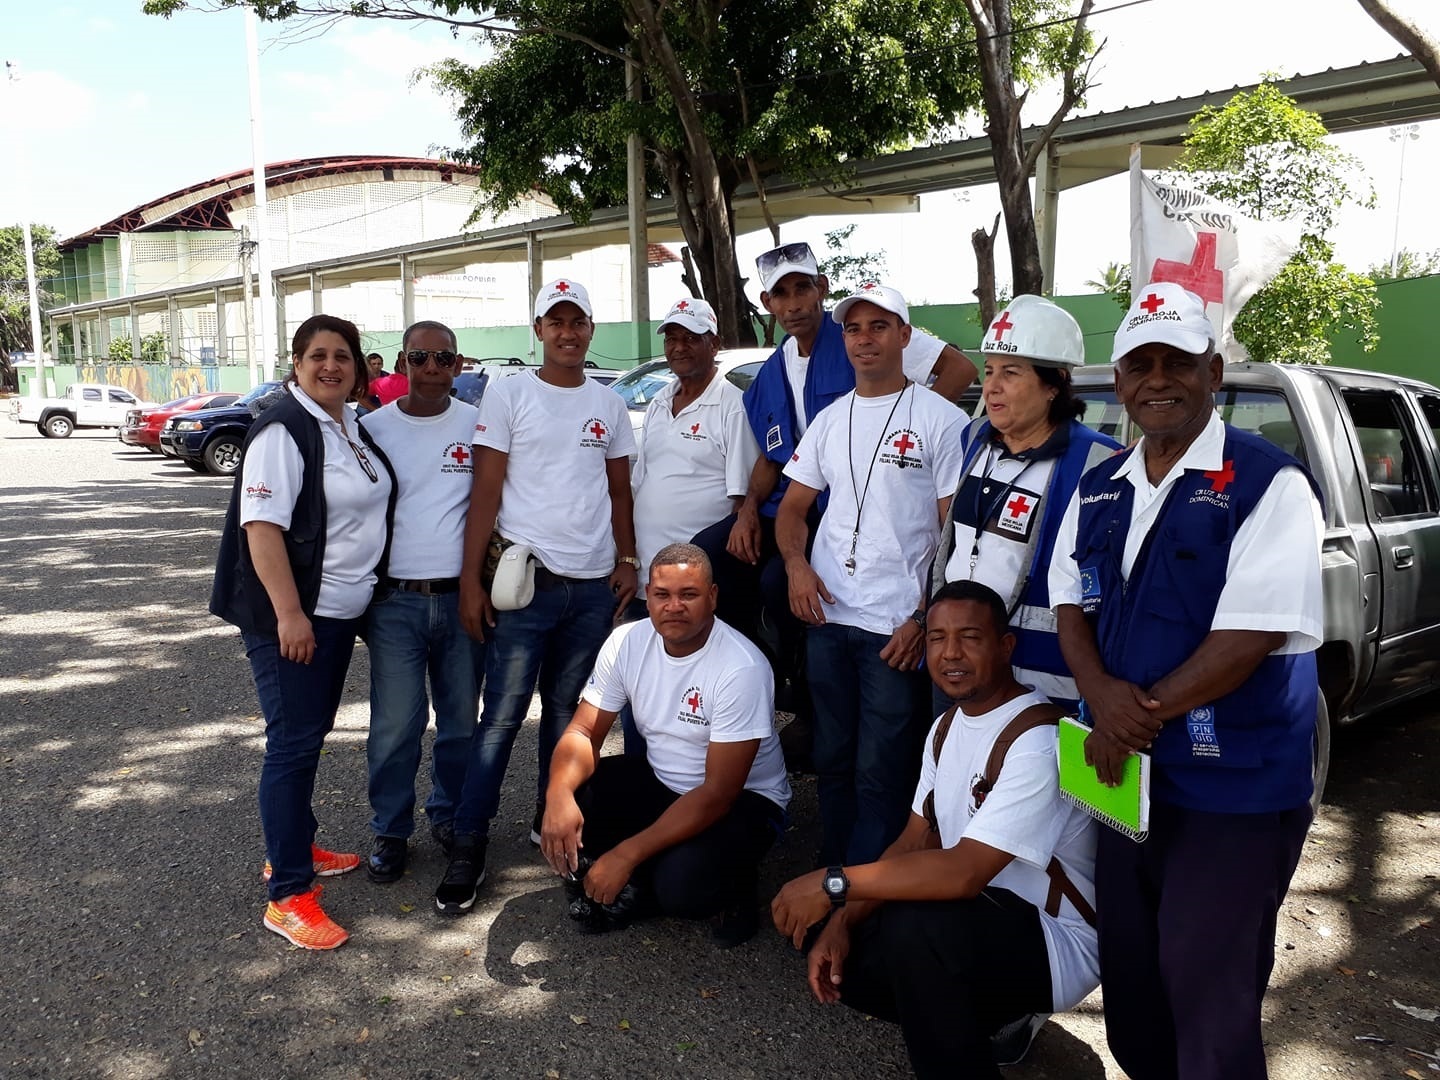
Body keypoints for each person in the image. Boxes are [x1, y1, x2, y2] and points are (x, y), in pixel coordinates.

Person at [1049, 282, 1325, 1080]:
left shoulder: (1269, 483)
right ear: (1120, 379)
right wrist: (1101, 696)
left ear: (1214, 372)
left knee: (1209, 994)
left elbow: (1252, 634)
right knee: (1134, 986)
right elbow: (1071, 601)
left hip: (1231, 790)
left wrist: (1136, 713)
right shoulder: (1102, 483)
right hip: (1123, 779)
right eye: (1141, 364)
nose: (1157, 378)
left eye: (1178, 361)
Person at [771, 581, 1100, 1079]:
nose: (951, 653)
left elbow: (963, 872)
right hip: (980, 921)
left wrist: (830, 882)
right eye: (937, 639)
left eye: (969, 637)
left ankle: (980, 1036)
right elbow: (912, 841)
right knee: (841, 940)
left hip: (1057, 941)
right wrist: (840, 922)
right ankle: (984, 1019)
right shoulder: (946, 726)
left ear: (1005, 646)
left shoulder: (1037, 740)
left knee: (915, 928)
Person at [693, 243, 978, 769]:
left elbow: (959, 368)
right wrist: (748, 510)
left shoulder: (865, 330)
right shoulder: (776, 367)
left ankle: (803, 700)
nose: (795, 302)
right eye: (782, 294)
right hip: (802, 495)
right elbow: (775, 456)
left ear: (821, 290)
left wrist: (908, 418)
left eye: (804, 288)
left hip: (857, 501)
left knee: (778, 582)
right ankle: (744, 684)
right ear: (767, 304)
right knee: (709, 559)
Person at [439, 278, 639, 915]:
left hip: (589, 588)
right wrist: (470, 581)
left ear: (591, 329)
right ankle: (468, 844)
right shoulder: (508, 392)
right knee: (498, 719)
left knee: (565, 717)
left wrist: (628, 560)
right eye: (555, 322)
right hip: (527, 586)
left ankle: (549, 825)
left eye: (577, 321)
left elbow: (620, 495)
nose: (567, 332)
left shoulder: (608, 405)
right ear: (538, 331)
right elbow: (486, 495)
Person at [209, 314, 396, 950]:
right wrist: (290, 615)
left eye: (342, 356)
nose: (330, 366)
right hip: (297, 618)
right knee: (291, 745)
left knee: (307, 738)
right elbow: (261, 530)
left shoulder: (346, 424)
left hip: (339, 612)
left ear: (359, 366)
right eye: (317, 355)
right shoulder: (282, 429)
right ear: (296, 362)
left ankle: (296, 844)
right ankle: (287, 892)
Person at [777, 283, 965, 865]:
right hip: (828, 617)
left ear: (906, 336)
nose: (865, 339)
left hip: (895, 631)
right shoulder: (832, 419)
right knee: (832, 762)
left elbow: (954, 537)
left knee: (882, 771)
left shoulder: (943, 420)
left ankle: (865, 899)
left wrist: (922, 617)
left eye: (880, 327)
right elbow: (791, 509)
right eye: (854, 329)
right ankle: (835, 876)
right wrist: (796, 566)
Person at [540, 544, 791, 946]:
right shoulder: (626, 641)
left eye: (688, 594)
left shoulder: (741, 667)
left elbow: (718, 793)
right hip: (664, 780)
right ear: (648, 595)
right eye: (662, 595)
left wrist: (626, 855)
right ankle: (641, 873)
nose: (673, 606)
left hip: (744, 801)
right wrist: (556, 795)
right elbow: (584, 733)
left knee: (683, 889)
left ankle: (733, 887)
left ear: (712, 597)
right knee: (569, 798)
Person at [932, 295, 1121, 710]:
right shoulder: (975, 438)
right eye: (990, 371)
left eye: (1011, 373)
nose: (992, 386)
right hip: (964, 662)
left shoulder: (1099, 461)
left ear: (1053, 385)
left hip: (1043, 674)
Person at [358, 320, 483, 883]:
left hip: (462, 601)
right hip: (394, 604)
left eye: (442, 358)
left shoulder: (479, 427)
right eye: (419, 358)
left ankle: (450, 815)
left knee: (459, 724)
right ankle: (391, 829)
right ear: (402, 365)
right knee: (395, 726)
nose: (431, 368)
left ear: (459, 365)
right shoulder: (372, 429)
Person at [633, 297, 758, 594]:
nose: (679, 347)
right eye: (672, 339)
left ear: (714, 344)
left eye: (691, 338)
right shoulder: (660, 401)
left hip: (695, 583)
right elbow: (640, 482)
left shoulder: (732, 406)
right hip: (646, 578)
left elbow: (742, 502)